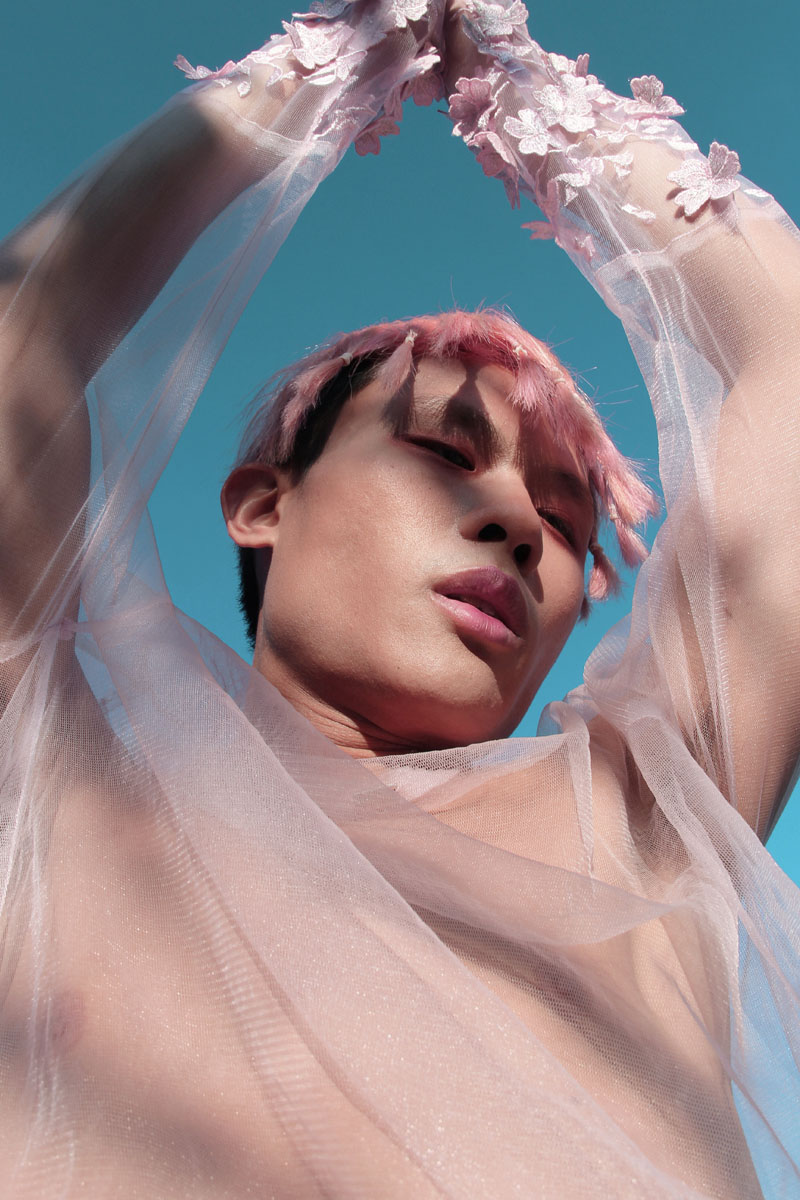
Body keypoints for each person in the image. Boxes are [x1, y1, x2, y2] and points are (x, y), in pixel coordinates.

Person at [1, 0, 798, 1196]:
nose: (518, 522)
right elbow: (23, 337)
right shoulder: (52, 787)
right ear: (260, 504)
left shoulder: (637, 831)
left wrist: (516, 78)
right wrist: (329, 62)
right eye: (440, 450)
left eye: (567, 524)